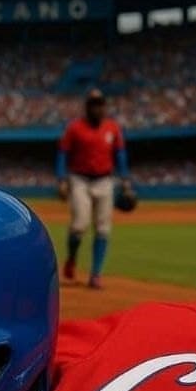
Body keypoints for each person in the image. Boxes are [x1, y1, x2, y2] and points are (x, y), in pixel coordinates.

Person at [55, 89, 134, 289]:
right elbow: (63, 153)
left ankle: (96, 274)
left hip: (105, 180)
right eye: (94, 104)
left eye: (101, 104)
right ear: (87, 107)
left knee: (103, 229)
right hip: (80, 179)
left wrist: (125, 179)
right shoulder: (75, 128)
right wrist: (62, 180)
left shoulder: (112, 128)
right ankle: (72, 258)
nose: (98, 108)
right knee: (80, 224)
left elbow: (120, 154)